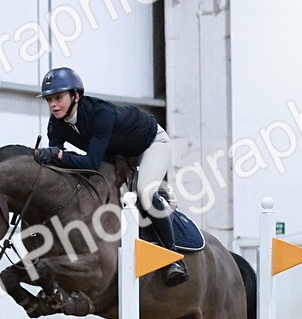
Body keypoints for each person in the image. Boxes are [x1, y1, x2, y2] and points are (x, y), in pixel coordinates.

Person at [34, 67, 188, 287]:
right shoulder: (56, 123)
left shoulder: (100, 114)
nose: (53, 105)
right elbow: (58, 164)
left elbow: (89, 162)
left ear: (76, 96)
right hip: (116, 153)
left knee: (144, 191)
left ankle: (173, 258)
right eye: (49, 99)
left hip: (150, 144)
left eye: (58, 98)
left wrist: (57, 155)